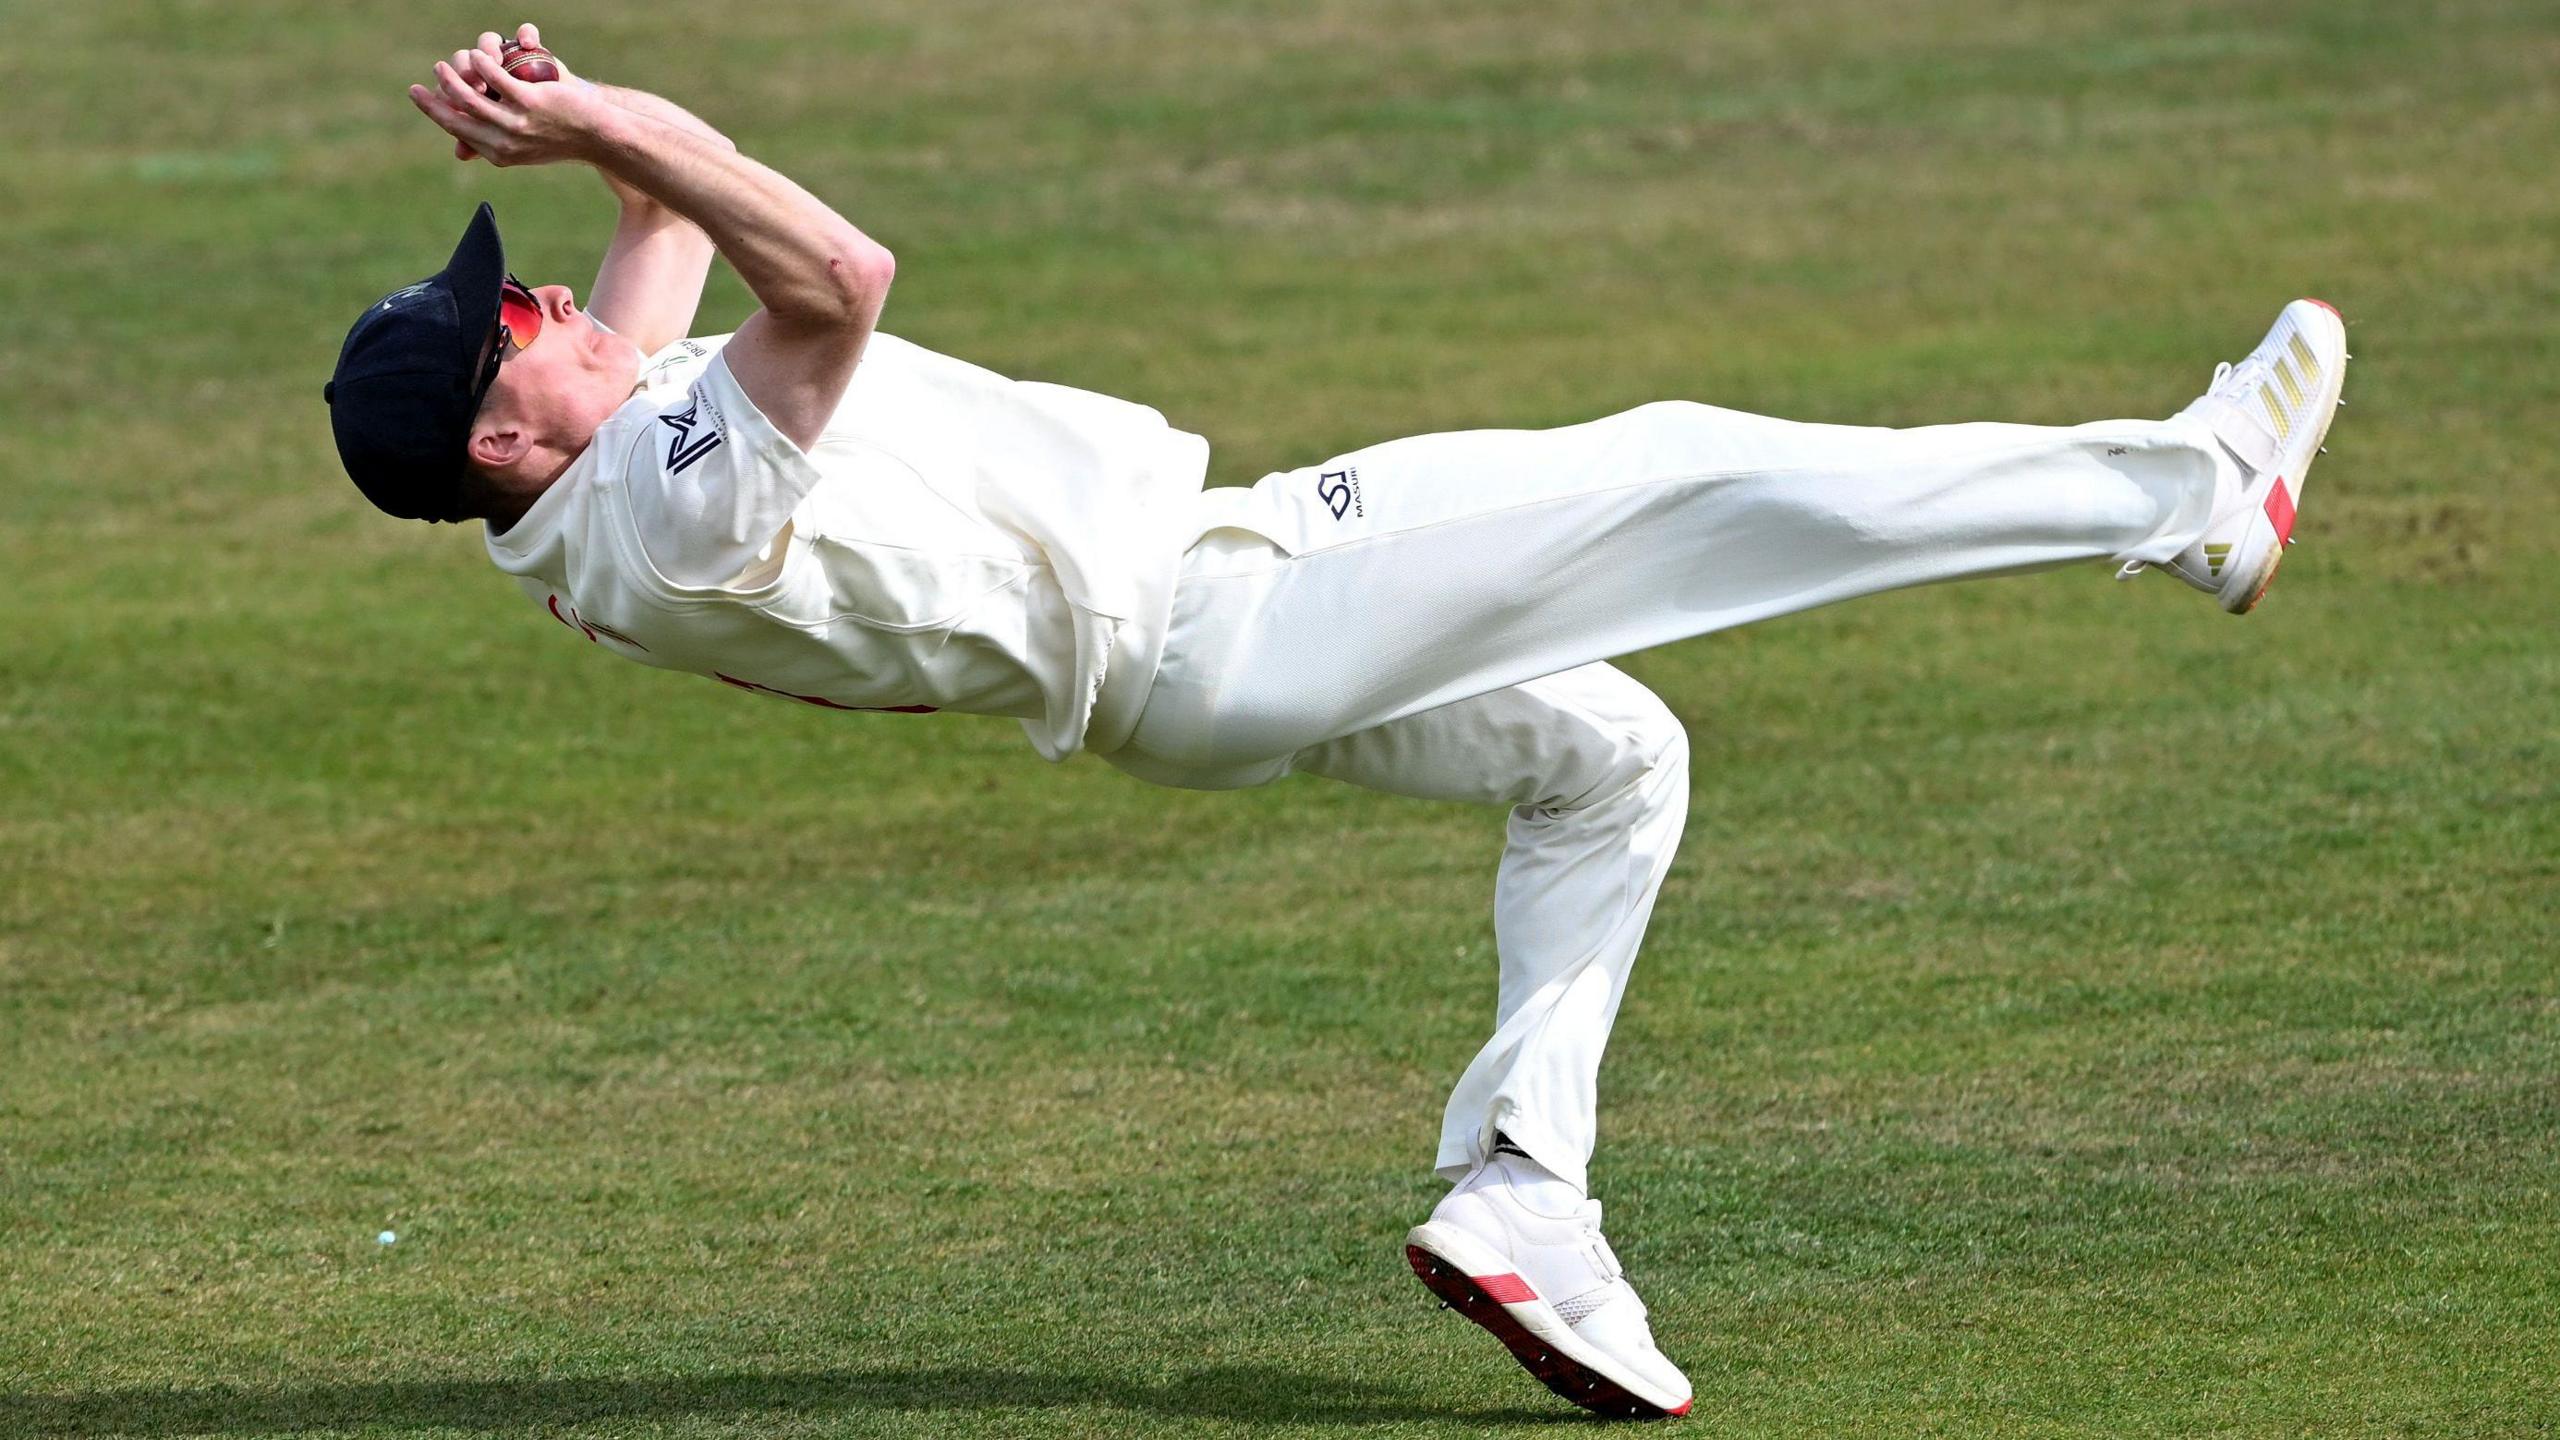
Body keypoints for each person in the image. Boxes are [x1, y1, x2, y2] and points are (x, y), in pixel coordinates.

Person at [325, 26, 2348, 1421]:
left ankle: (1526, 1197)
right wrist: (616, 132)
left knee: (1611, 760)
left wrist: (578, 117)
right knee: (1683, 464)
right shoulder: (664, 507)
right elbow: (840, 276)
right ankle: (2185, 495)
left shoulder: (580, 485)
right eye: (518, 327)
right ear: (501, 438)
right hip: (1222, 603)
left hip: (1189, 666)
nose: (554, 305)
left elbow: (671, 236)